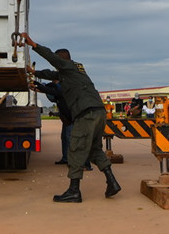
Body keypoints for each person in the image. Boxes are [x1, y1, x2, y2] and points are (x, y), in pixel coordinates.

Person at [20, 32, 120, 203]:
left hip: (86, 114)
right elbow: (51, 74)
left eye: (59, 64)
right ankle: (112, 182)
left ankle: (74, 191)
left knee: (75, 149)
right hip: (98, 113)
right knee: (95, 150)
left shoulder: (67, 67)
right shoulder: (74, 70)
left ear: (63, 61)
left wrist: (32, 44)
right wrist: (33, 72)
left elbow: (52, 59)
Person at [31, 79, 90, 170]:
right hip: (68, 120)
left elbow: (48, 90)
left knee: (73, 140)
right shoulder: (59, 95)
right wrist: (36, 86)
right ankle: (66, 158)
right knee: (65, 138)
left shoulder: (62, 91)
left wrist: (37, 85)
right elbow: (47, 88)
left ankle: (84, 164)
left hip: (73, 119)